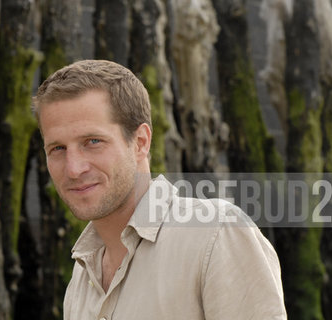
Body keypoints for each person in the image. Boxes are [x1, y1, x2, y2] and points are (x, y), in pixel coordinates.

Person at [33, 59, 287, 320]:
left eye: (93, 141)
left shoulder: (216, 234)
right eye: (58, 149)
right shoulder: (82, 277)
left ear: (141, 142)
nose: (74, 169)